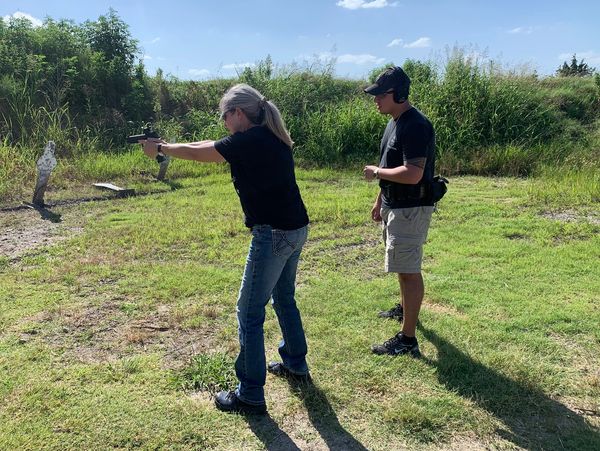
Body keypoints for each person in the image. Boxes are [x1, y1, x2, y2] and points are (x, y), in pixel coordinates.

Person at [140, 84, 311, 414]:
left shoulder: (252, 140)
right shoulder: (266, 135)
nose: (223, 122)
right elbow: (204, 145)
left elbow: (197, 153)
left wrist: (161, 147)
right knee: (284, 298)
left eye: (224, 116)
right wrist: (166, 146)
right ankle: (295, 363)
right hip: (294, 228)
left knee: (249, 311)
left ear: (238, 113)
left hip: (273, 233)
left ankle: (250, 393)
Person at [363, 66, 436, 357]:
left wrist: (377, 172)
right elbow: (393, 165)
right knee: (400, 265)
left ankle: (407, 340)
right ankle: (405, 308)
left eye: (381, 94)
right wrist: (381, 200)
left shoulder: (415, 125)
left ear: (399, 94)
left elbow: (413, 173)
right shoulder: (394, 121)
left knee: (408, 270)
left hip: (410, 207)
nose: (376, 99)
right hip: (396, 204)